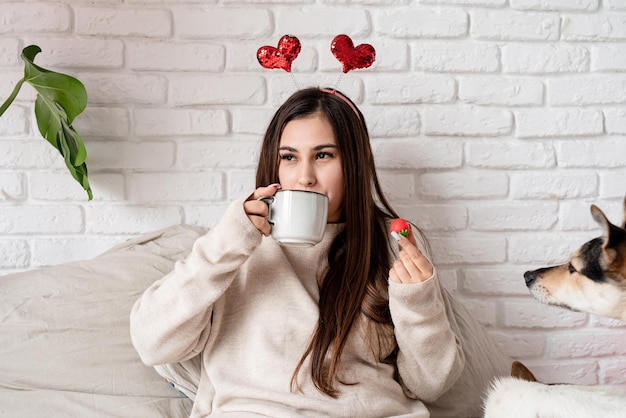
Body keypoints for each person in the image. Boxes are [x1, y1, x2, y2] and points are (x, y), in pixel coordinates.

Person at [130, 87, 467, 417]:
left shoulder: (392, 242)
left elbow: (431, 384)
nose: (304, 177)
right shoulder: (236, 241)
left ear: (354, 163)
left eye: (323, 156)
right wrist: (228, 241)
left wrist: (419, 303)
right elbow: (152, 342)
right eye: (289, 157)